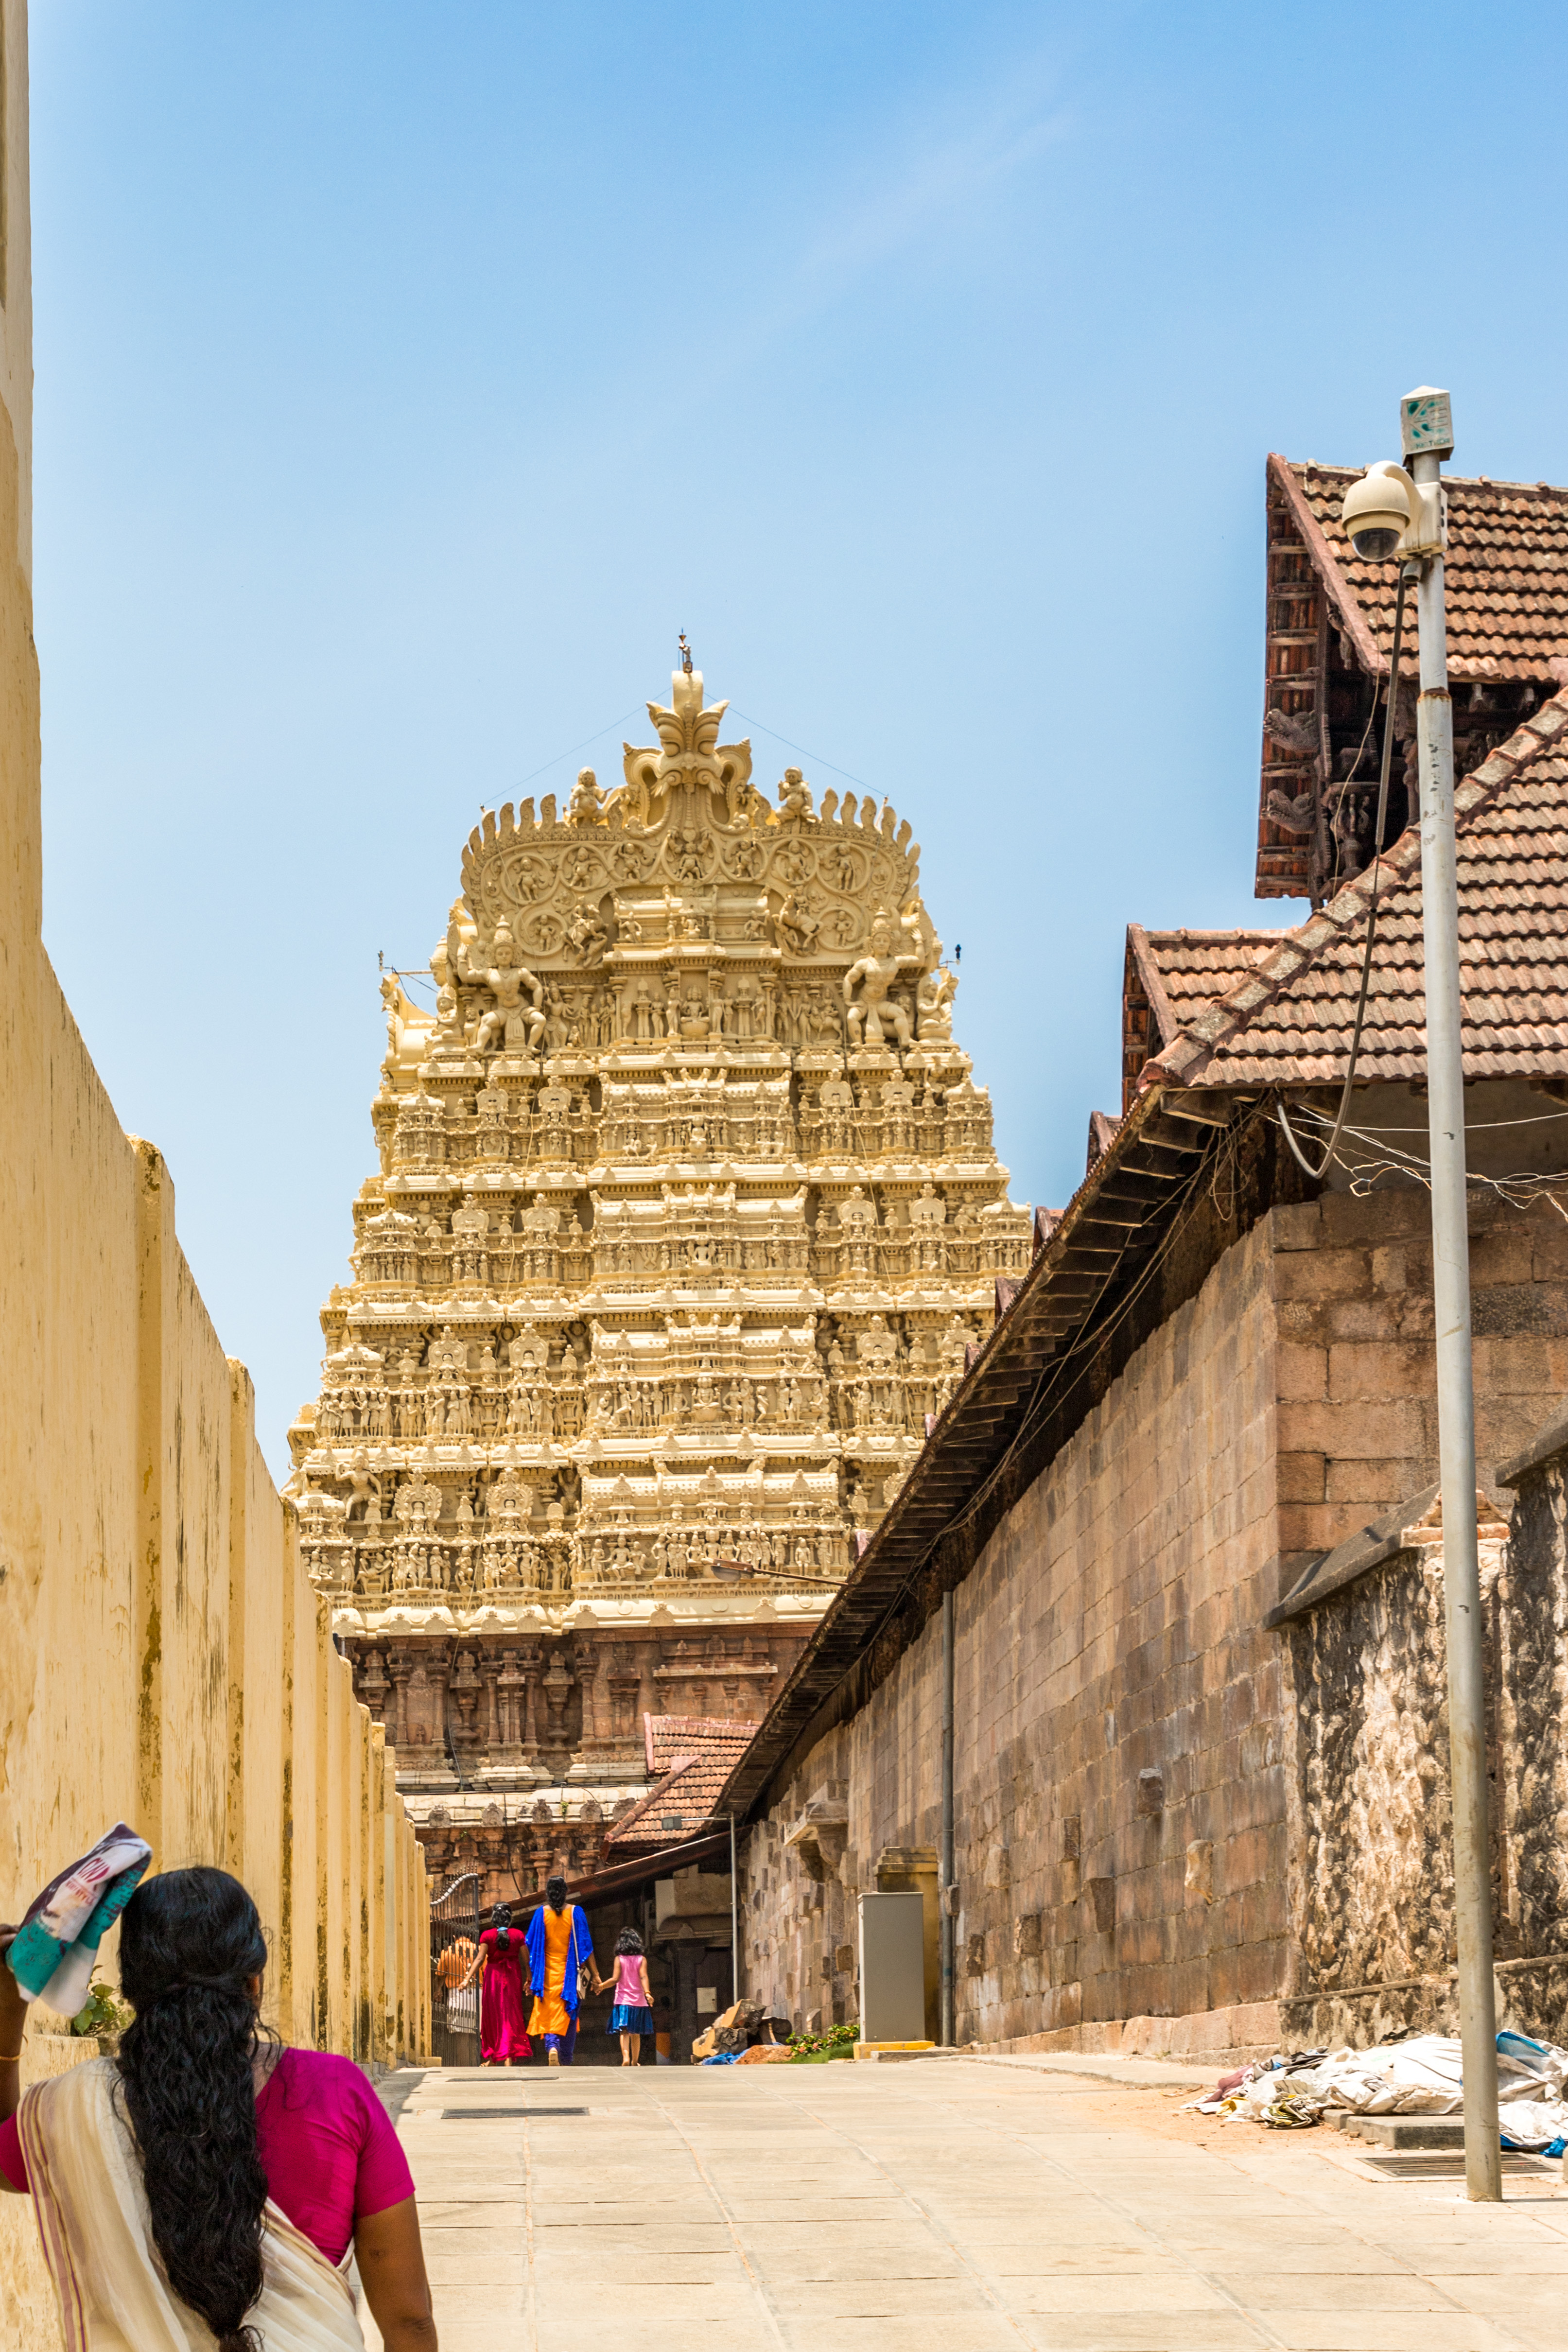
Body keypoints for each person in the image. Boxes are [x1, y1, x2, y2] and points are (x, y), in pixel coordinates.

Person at [0, 1864, 436, 2350]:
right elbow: (409, 2322)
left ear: (132, 1990)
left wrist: (8, 2010)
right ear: (254, 1981)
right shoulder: (337, 2091)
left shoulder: (76, 2108)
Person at [524, 1876, 594, 2067]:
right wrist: (595, 1975)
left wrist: (531, 1977)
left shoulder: (541, 1914)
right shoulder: (575, 1913)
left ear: (548, 1892)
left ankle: (552, 2047)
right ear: (565, 1892)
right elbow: (586, 1947)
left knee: (548, 2014)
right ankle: (565, 2057)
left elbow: (530, 1944)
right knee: (569, 2015)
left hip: (546, 1975)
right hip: (570, 1977)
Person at [457, 1904, 531, 2066]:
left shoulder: (487, 1935)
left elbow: (479, 1959)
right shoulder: (518, 1935)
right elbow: (527, 1960)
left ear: (494, 1919)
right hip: (513, 1977)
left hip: (493, 1978)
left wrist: (467, 1979)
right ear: (509, 1917)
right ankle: (508, 2057)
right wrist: (529, 1979)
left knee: (494, 2016)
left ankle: (494, 2057)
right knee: (511, 2015)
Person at [604, 1928, 654, 2067]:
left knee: (624, 2032)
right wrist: (648, 1993)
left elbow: (615, 1979)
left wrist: (601, 1986)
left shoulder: (619, 1960)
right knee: (636, 2034)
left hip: (623, 2001)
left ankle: (625, 2058)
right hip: (639, 2002)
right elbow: (644, 1976)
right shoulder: (641, 1959)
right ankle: (634, 2061)